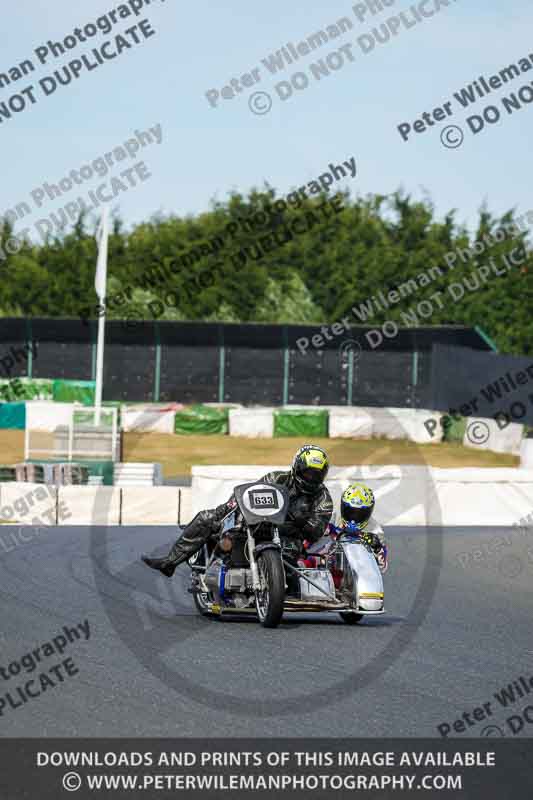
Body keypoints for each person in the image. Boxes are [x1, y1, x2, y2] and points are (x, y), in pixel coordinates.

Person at [142, 444, 334, 577]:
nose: (311, 478)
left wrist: (297, 519)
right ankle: (170, 563)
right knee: (207, 518)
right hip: (259, 526)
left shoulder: (323, 499)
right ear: (297, 468)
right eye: (308, 472)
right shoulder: (277, 478)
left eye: (317, 475)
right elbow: (250, 496)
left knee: (290, 567)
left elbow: (315, 533)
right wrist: (228, 509)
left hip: (289, 540)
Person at [322, 482, 388, 572]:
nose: (353, 519)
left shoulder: (375, 531)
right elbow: (317, 531)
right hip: (335, 554)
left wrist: (377, 549)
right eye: (350, 512)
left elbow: (383, 567)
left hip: (361, 568)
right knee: (320, 555)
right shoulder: (335, 517)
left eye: (359, 514)